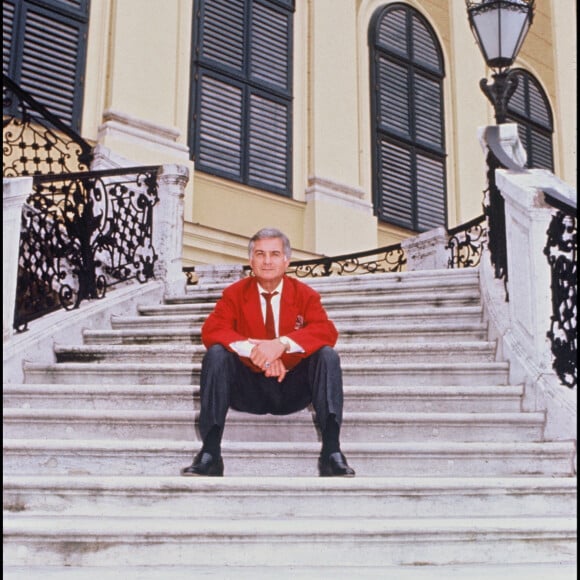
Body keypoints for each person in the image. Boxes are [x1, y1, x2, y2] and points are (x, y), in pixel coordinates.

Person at [181, 227, 355, 478]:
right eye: (260, 254)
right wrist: (256, 351)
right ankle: (210, 453)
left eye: (275, 254)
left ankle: (332, 452)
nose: (267, 261)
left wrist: (281, 345)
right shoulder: (234, 294)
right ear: (251, 261)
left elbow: (326, 331)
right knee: (216, 354)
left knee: (327, 355)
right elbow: (212, 329)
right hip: (247, 389)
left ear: (287, 261)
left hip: (292, 388)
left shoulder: (305, 294)